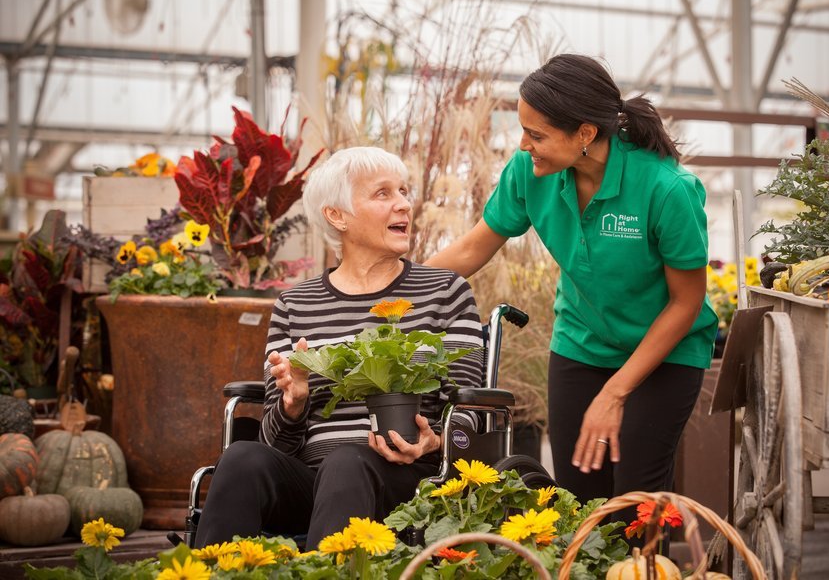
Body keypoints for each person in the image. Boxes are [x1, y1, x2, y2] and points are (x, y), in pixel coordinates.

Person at [426, 54, 717, 512]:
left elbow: (686, 303)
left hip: (665, 353)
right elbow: (472, 248)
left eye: (536, 134)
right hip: (581, 344)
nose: (524, 145)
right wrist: (400, 293)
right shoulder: (532, 172)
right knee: (577, 500)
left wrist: (615, 392)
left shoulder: (667, 189)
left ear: (584, 133)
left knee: (632, 505)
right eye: (524, 130)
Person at [195, 146, 485, 548]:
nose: (403, 204)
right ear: (337, 215)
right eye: (383, 194)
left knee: (347, 461)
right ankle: (212, 572)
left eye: (403, 191)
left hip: (410, 485)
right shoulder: (295, 305)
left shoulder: (445, 292)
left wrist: (434, 441)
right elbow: (277, 444)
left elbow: (471, 410)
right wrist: (292, 403)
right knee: (243, 458)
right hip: (314, 484)